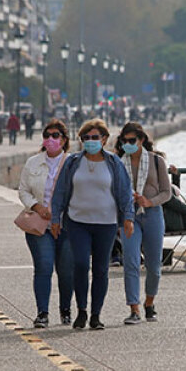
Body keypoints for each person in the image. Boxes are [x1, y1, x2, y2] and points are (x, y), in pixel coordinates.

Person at [50, 118, 134, 331]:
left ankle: (96, 314)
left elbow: (125, 192)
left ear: (104, 139)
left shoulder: (114, 163)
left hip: (106, 223)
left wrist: (128, 218)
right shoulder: (73, 162)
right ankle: (82, 310)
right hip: (77, 221)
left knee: (100, 269)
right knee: (80, 264)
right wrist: (55, 218)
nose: (90, 141)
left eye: (94, 137)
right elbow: (60, 191)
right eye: (85, 137)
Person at [18, 119, 74, 328]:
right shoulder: (33, 162)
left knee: (66, 270)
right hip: (40, 224)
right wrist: (36, 206)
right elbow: (23, 190)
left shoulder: (73, 163)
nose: (50, 139)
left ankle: (66, 309)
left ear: (64, 139)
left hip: (66, 225)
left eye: (55, 135)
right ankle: (42, 312)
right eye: (47, 135)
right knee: (43, 266)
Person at [115, 122, 172, 324]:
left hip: (152, 214)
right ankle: (134, 308)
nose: (128, 144)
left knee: (154, 265)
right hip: (129, 215)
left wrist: (150, 201)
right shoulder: (119, 163)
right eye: (125, 141)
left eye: (132, 140)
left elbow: (167, 192)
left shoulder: (157, 161)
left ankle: (149, 302)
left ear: (141, 140)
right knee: (131, 260)